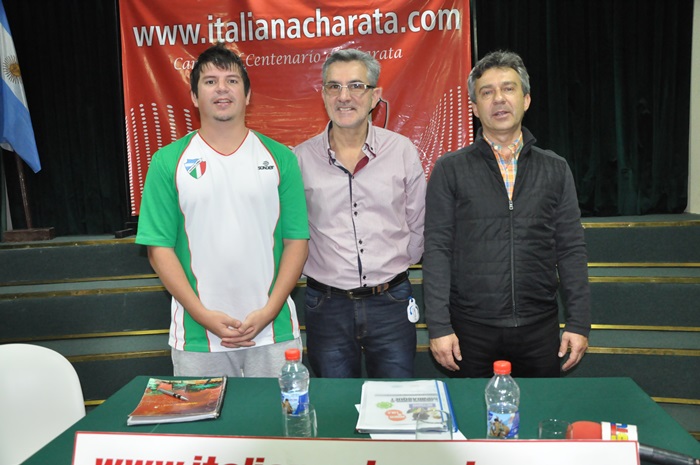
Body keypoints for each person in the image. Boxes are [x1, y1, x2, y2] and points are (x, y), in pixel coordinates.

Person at [135, 44, 309, 378]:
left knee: (278, 413)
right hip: (198, 336)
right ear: (194, 96)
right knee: (204, 416)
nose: (221, 89)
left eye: (231, 80)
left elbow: (296, 242)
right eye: (210, 81)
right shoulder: (167, 162)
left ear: (248, 95)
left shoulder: (280, 158)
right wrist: (202, 315)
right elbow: (158, 250)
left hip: (273, 332)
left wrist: (269, 311)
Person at [423, 50, 591, 378]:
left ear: (526, 100)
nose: (498, 98)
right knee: (472, 411)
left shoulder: (555, 168)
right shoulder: (449, 169)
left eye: (508, 89)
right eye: (487, 92)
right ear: (474, 107)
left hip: (539, 328)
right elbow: (437, 250)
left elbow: (571, 248)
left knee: (540, 410)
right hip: (470, 330)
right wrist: (439, 326)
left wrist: (579, 321)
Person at [293, 48, 427, 378]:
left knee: (395, 400)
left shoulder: (402, 151)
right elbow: (293, 232)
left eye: (356, 86)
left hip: (391, 301)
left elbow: (418, 223)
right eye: (334, 87)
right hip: (327, 305)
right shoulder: (300, 159)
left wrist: (393, 268)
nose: (344, 97)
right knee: (335, 402)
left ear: (374, 96)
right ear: (323, 95)